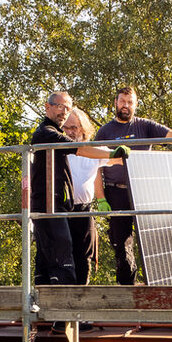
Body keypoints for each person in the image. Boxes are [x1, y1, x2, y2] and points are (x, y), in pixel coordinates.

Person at [94, 86, 172, 285]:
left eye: (130, 102)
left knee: (154, 240)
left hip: (144, 191)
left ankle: (159, 286)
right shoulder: (105, 132)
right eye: (122, 101)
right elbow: (95, 167)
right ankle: (128, 290)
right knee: (122, 243)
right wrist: (101, 198)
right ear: (115, 103)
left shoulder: (145, 126)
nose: (125, 106)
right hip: (115, 191)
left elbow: (171, 135)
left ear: (135, 105)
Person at [30, 91, 116, 287]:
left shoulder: (56, 135)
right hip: (48, 206)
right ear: (48, 107)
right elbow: (79, 149)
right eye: (60, 107)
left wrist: (132, 153)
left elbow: (92, 154)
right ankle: (59, 309)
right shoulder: (47, 134)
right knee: (59, 254)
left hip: (68, 207)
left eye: (67, 108)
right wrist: (114, 151)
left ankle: (63, 310)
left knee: (70, 254)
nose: (64, 112)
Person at [63, 108, 106, 284]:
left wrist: (124, 153)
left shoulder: (95, 150)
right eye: (66, 128)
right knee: (62, 253)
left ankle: (82, 290)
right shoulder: (58, 147)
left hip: (84, 210)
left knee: (83, 255)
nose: (70, 132)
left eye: (74, 127)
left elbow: (118, 158)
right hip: (61, 210)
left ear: (83, 127)